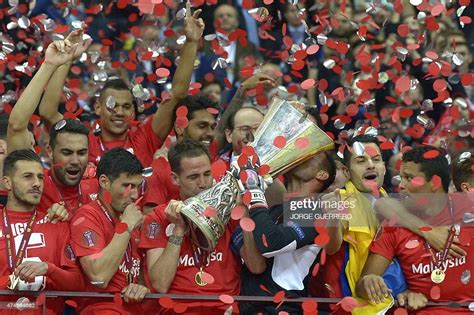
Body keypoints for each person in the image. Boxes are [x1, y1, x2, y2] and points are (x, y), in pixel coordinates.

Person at [39, 3, 205, 168]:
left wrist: (191, 42)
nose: (119, 112)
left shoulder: (145, 137)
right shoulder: (83, 144)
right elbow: (47, 112)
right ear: (98, 107)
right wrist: (66, 60)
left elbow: (177, 94)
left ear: (133, 111)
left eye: (126, 106)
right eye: (112, 105)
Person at [139, 139, 265, 314]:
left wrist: (243, 213)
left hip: (224, 310)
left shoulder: (230, 213)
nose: (203, 183)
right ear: (175, 179)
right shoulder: (158, 217)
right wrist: (178, 229)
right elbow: (160, 284)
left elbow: (256, 266)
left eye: (207, 174)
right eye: (193, 177)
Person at [356, 146, 474, 314]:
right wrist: (371, 283)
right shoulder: (395, 225)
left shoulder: (467, 207)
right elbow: (362, 285)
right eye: (400, 178)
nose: (400, 186)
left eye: (409, 178)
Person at [6, 40, 96, 218]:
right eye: (67, 152)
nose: (75, 160)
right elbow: (17, 125)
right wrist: (51, 64)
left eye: (81, 152)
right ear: (49, 151)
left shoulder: (99, 186)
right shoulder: (35, 184)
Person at [240, 150, 336, 314]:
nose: (301, 155)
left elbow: (272, 243)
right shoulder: (276, 209)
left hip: (285, 308)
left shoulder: (316, 211)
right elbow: (255, 265)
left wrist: (253, 192)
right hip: (253, 306)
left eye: (311, 157)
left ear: (322, 174)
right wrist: (245, 208)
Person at [0, 150, 84, 314]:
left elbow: (78, 284)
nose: (37, 183)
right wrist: (9, 282)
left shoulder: (56, 223)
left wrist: (49, 269)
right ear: (8, 183)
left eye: (40, 177)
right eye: (28, 176)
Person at [70, 148, 149, 314]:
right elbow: (99, 277)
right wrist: (126, 227)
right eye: (128, 186)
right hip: (101, 309)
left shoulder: (129, 216)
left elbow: (137, 272)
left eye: (137, 186)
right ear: (104, 182)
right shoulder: (87, 216)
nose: (135, 195)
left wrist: (140, 287)